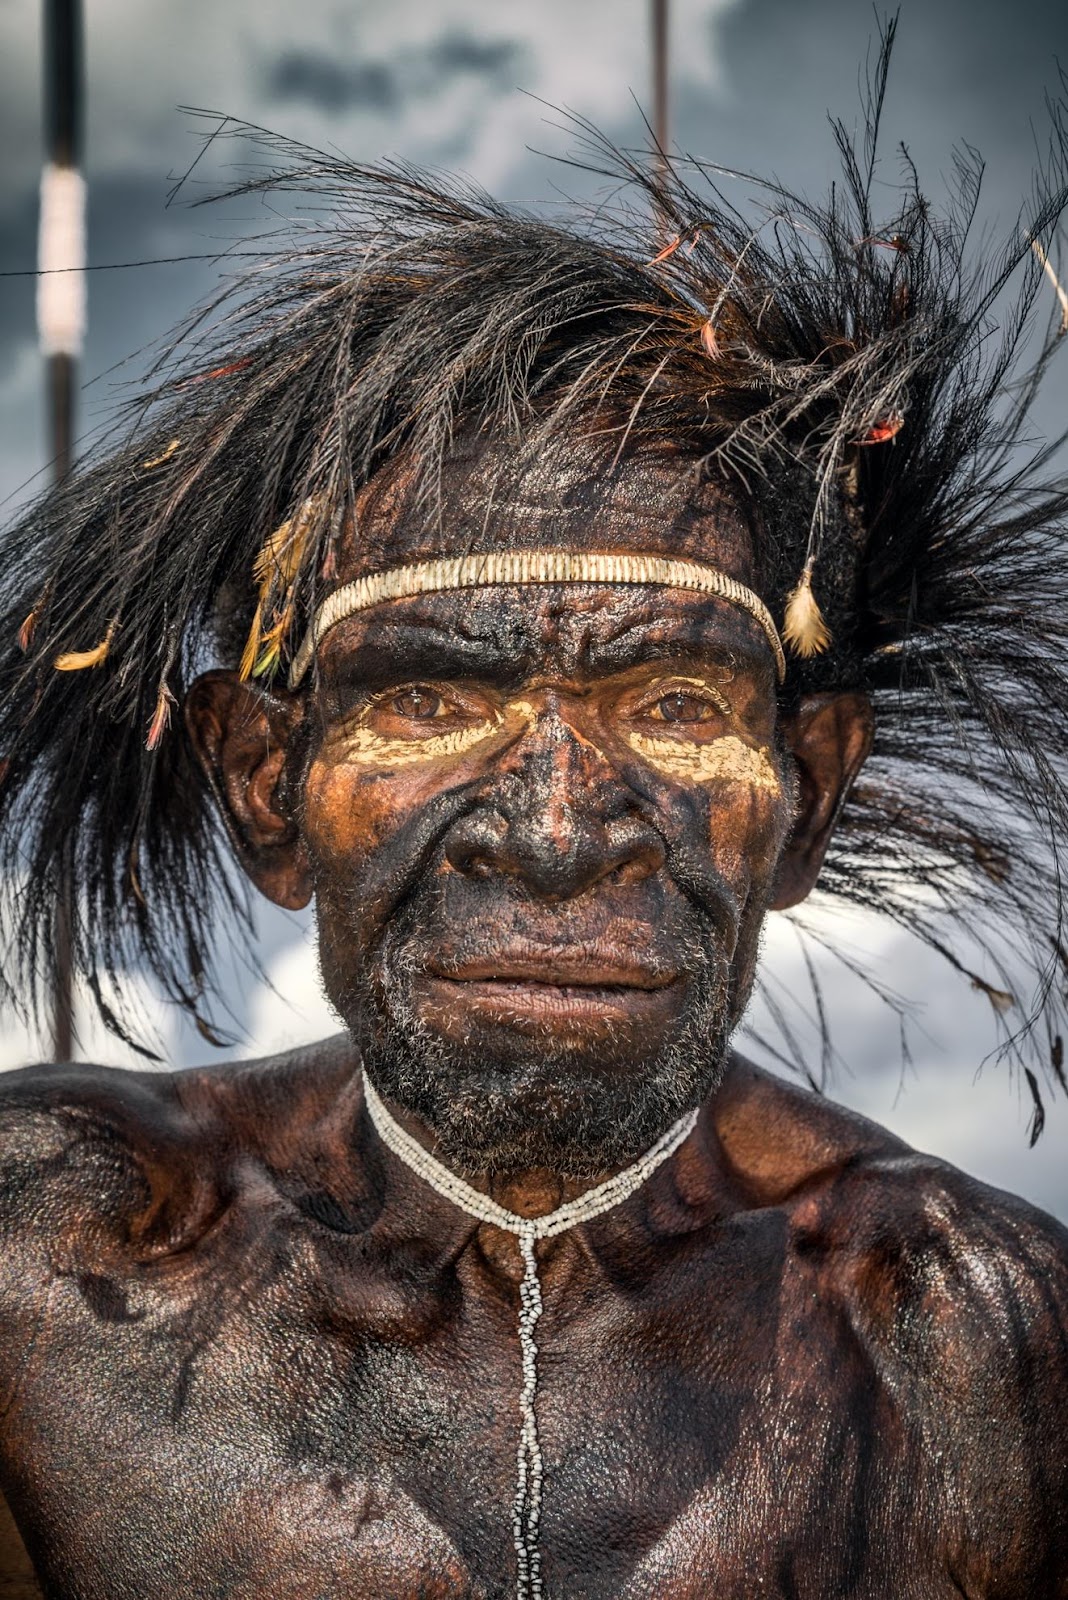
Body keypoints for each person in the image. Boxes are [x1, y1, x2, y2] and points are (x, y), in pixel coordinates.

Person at [1, 54, 1068, 1598]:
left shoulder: (974, 1346)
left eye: (675, 708)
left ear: (806, 801)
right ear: (264, 786)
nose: (561, 832)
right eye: (430, 703)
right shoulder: (49, 1270)